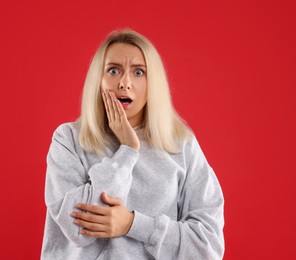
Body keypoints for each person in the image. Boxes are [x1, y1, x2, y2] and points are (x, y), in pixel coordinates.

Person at [41, 28, 225, 259]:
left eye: (139, 72)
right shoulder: (68, 139)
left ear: (152, 83)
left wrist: (132, 224)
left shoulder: (181, 144)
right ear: (99, 80)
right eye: (113, 70)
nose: (125, 83)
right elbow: (79, 230)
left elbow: (207, 246)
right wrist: (127, 150)